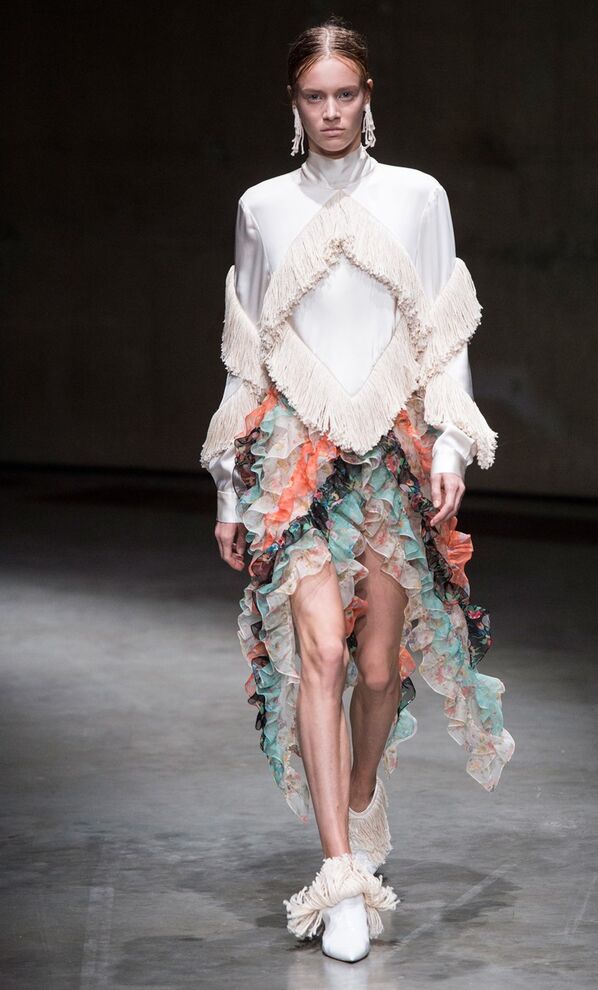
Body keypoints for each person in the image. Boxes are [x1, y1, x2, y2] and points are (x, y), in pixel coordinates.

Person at [200, 17, 515, 963]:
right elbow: (246, 359)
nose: (331, 112)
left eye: (345, 95)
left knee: (380, 670)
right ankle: (340, 872)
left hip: (390, 455)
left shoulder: (418, 197)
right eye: (315, 97)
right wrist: (228, 490)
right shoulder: (262, 207)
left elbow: (445, 337)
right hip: (292, 456)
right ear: (293, 104)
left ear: (367, 97)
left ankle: (364, 794)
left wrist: (451, 447)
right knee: (323, 655)